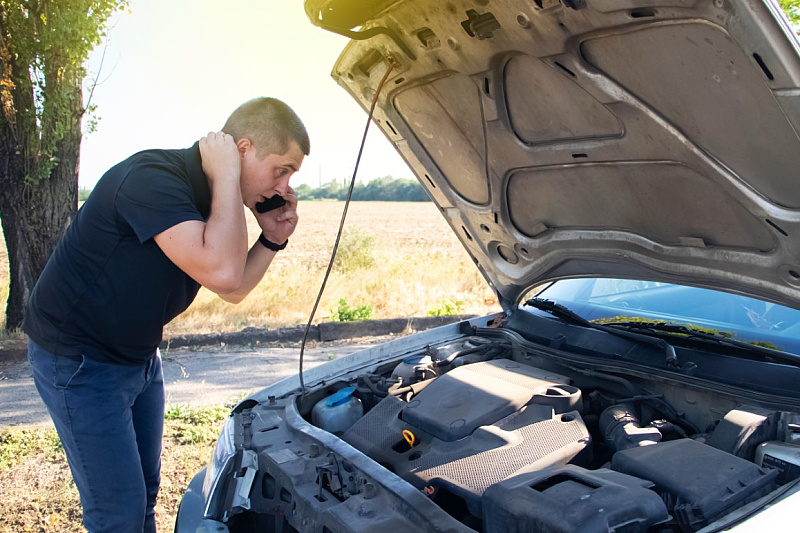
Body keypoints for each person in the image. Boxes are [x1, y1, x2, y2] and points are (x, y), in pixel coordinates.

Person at [23, 97, 309, 532]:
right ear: (243, 148)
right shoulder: (153, 179)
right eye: (282, 170)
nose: (283, 188)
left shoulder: (213, 194)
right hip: (79, 359)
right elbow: (225, 270)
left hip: (136, 354)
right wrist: (230, 177)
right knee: (117, 510)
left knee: (145, 494)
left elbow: (232, 289)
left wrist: (270, 239)